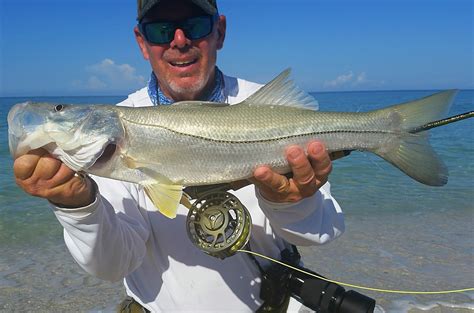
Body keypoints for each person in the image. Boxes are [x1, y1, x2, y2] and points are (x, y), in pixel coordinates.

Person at [13, 0, 345, 311]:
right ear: (142, 43)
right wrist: (77, 205)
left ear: (220, 31)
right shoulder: (120, 129)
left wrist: (290, 201)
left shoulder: (265, 105)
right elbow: (114, 265)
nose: (179, 40)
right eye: (160, 30)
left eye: (196, 25)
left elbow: (324, 231)